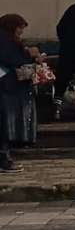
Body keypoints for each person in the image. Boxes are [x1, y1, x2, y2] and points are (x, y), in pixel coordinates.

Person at [0, 15, 40, 172]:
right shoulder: (4, 40)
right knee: (4, 122)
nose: (22, 31)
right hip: (6, 88)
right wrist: (29, 55)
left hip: (9, 87)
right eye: (20, 27)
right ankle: (4, 158)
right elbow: (11, 58)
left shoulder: (8, 39)